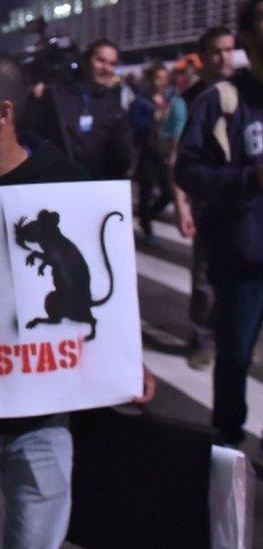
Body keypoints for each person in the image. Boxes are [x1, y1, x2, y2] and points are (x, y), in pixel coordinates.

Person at [0, 49, 155, 548]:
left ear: (2, 114)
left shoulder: (68, 186)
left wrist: (126, 358)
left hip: (43, 418)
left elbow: (105, 296)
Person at [175, 0, 263, 447]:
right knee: (234, 359)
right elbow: (186, 171)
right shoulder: (222, 100)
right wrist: (250, 178)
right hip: (242, 260)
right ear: (248, 35)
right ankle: (227, 450)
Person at [170, 27, 236, 370]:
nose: (224, 58)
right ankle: (202, 339)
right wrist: (182, 207)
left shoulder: (247, 91)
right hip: (208, 201)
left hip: (245, 200)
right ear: (203, 57)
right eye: (216, 51)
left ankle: (236, 334)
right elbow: (178, 159)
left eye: (229, 50)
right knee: (205, 280)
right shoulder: (188, 100)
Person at [25, 38, 133, 180]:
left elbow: (122, 154)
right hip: (58, 181)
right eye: (101, 60)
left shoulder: (113, 104)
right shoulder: (57, 95)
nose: (106, 68)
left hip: (97, 184)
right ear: (86, 60)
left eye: (112, 63)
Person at [129, 62, 174, 244]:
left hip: (162, 153)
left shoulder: (166, 99)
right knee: (146, 193)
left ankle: (146, 217)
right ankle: (147, 229)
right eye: (158, 78)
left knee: (168, 193)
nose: (162, 82)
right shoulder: (141, 102)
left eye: (165, 78)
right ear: (150, 79)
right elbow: (133, 126)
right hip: (146, 154)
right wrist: (152, 119)